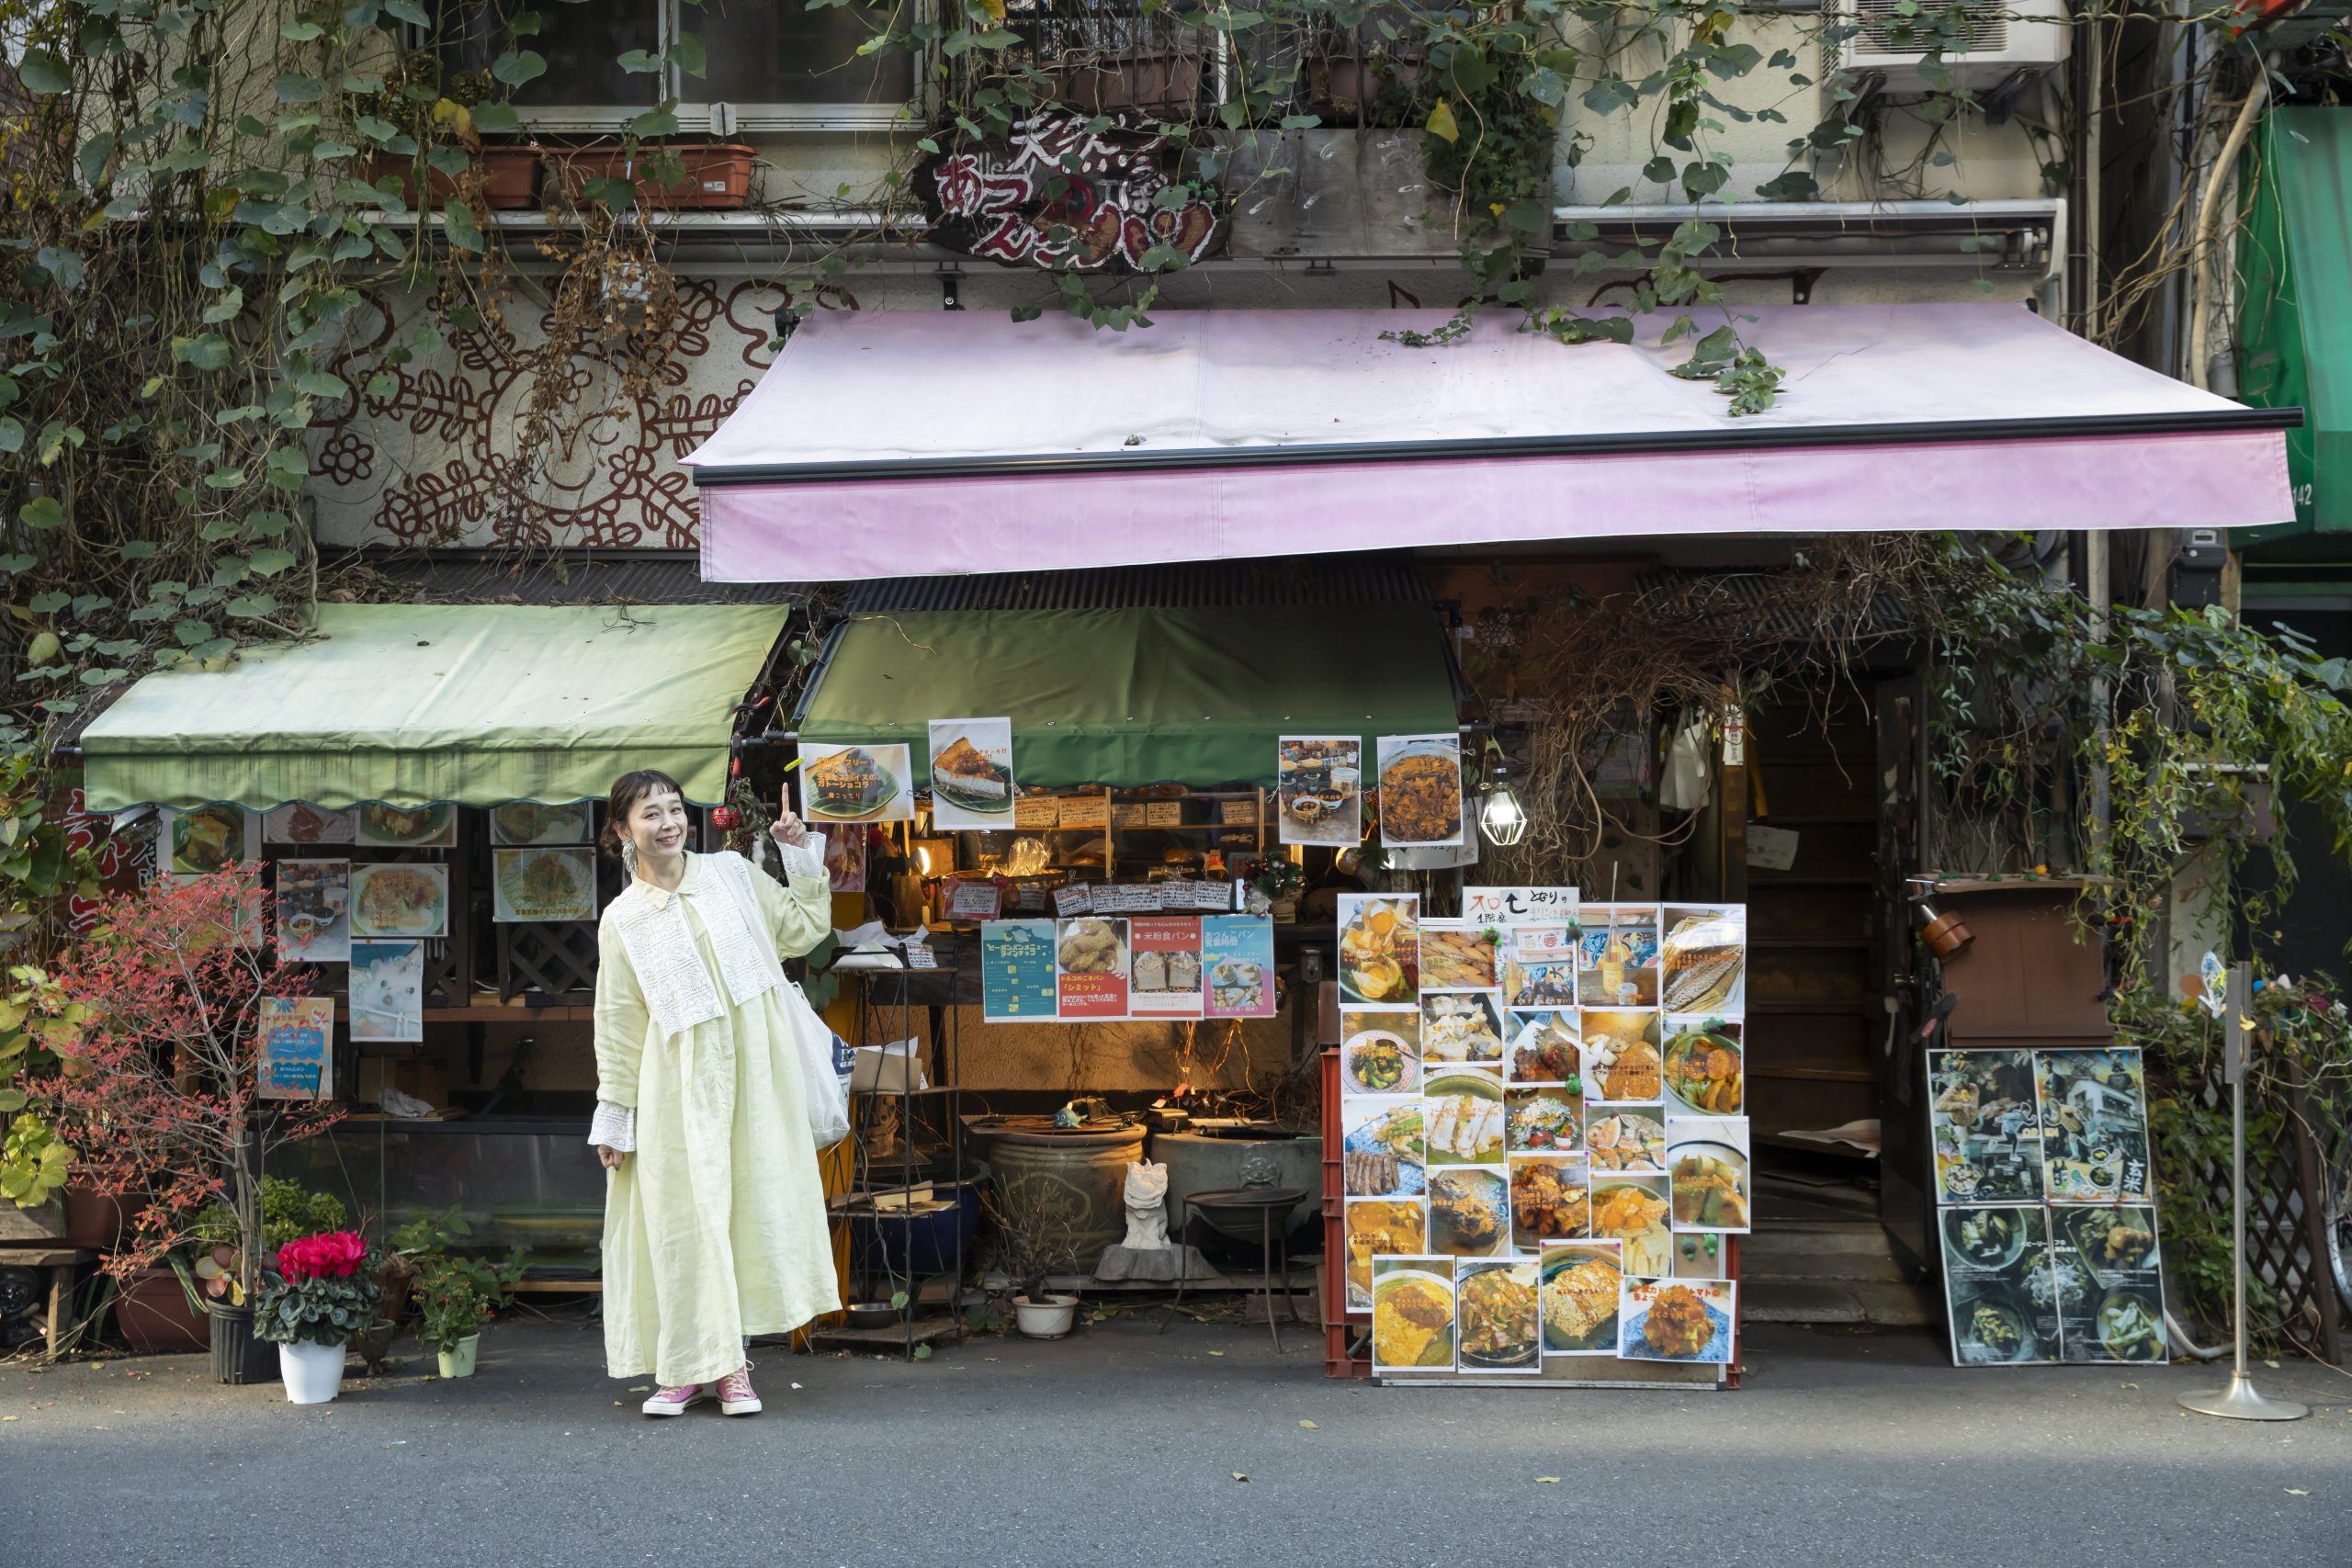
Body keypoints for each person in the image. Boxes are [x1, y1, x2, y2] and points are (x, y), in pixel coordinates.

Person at [587, 769, 840, 1416]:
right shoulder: (622, 920)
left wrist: (798, 851)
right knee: (684, 1221)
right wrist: (615, 1116)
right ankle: (689, 1367)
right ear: (622, 830)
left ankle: (730, 1366)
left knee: (748, 1213)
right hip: (673, 1085)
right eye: (651, 814)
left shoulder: (730, 874)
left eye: (675, 808)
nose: (669, 822)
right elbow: (618, 1022)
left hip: (755, 1076)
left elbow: (805, 926)